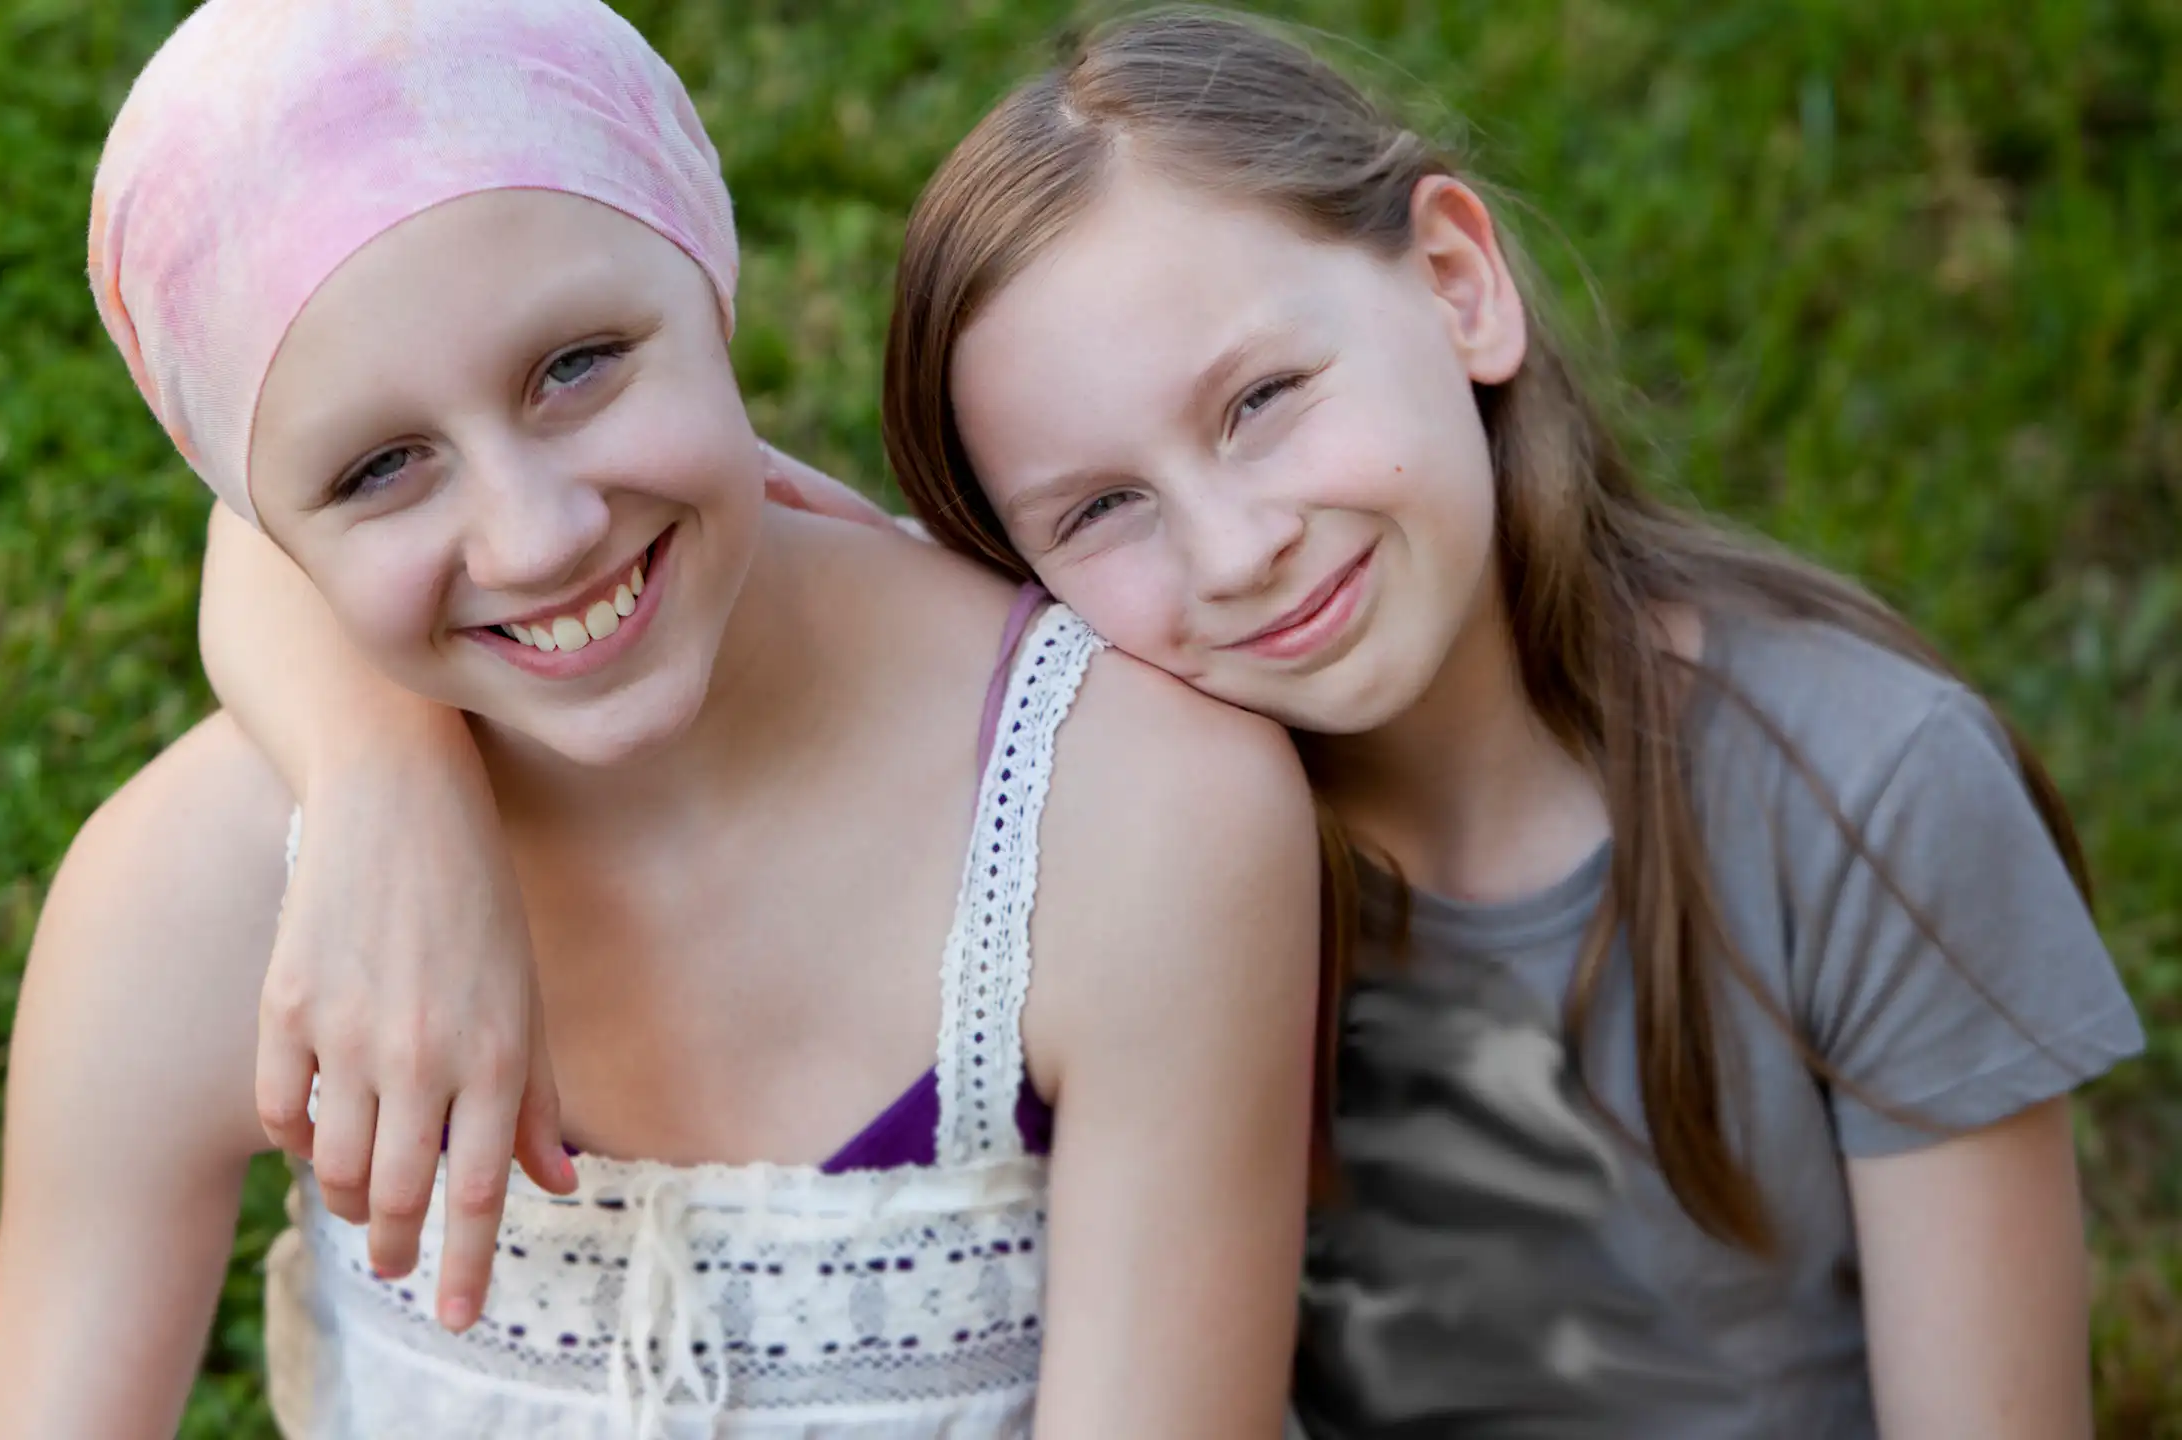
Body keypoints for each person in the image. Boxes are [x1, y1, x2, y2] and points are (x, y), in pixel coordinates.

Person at [215, 8, 2144, 1436]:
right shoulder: (1087, 798)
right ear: (1016, 575)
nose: (1229, 551)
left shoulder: (1865, 791)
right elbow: (283, 516)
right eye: (1100, 510)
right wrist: (389, 784)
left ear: (1460, 285)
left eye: (1261, 400)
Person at [0, 2, 1322, 1435]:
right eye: (381, 468)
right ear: (264, 525)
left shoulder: (1135, 812)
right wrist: (381, 787)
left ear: (712, 282)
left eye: (577, 365)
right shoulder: (195, 894)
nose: (536, 536)